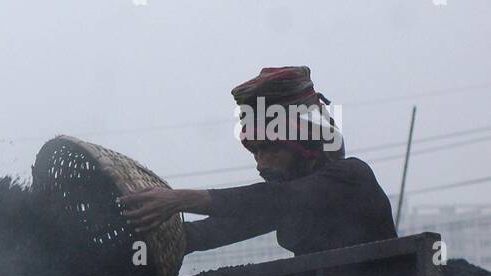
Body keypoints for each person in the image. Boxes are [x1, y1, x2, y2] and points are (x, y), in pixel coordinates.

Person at [119, 67, 397, 255]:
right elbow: (208, 233)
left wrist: (178, 200)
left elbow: (272, 199)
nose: (261, 165)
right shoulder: (287, 203)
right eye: (255, 153)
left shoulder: (351, 177)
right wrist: (139, 232)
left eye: (271, 149)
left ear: (307, 147)